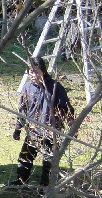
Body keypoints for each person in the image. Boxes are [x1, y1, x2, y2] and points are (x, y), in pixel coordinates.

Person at [12, 57, 75, 188]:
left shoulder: (55, 87)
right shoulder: (27, 87)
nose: (34, 75)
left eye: (36, 72)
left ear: (43, 71)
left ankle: (45, 186)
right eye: (31, 72)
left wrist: (72, 127)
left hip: (52, 132)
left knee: (49, 161)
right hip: (33, 131)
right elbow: (22, 110)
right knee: (25, 157)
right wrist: (18, 128)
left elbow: (67, 108)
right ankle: (21, 180)